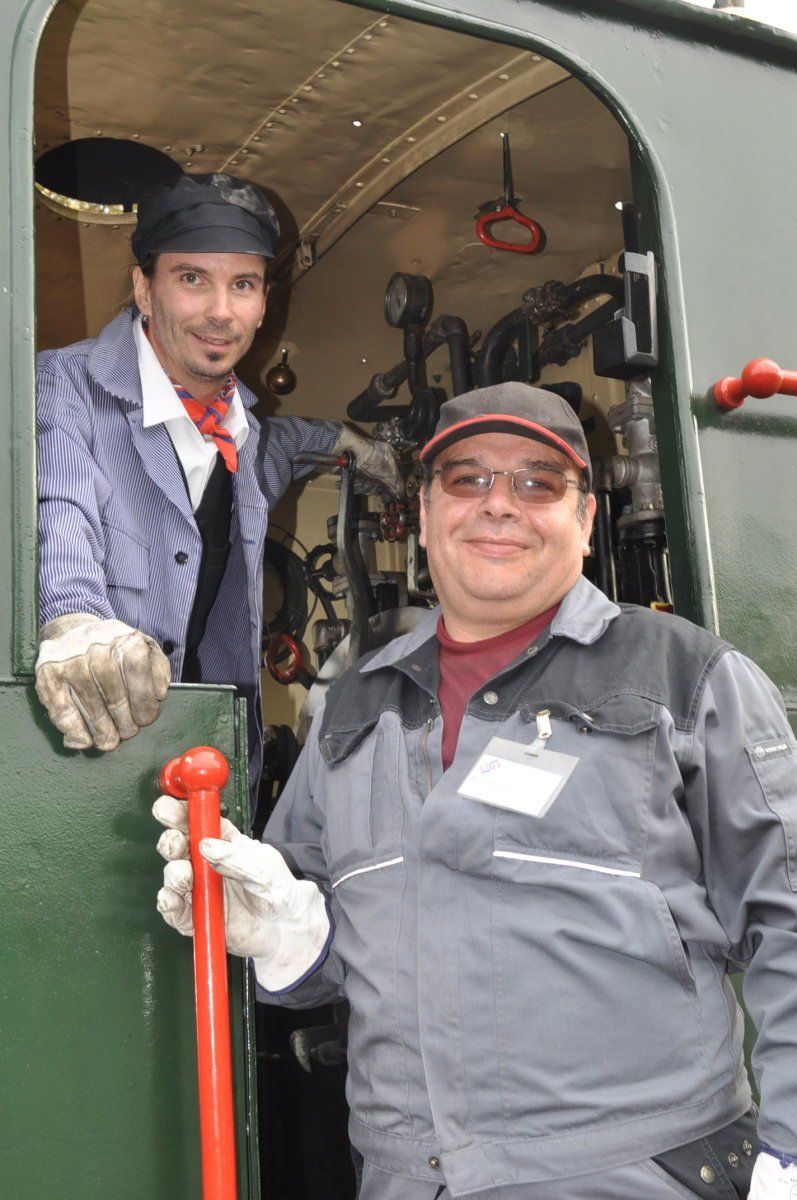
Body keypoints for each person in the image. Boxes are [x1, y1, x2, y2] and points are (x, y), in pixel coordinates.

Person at [155, 381, 797, 1199]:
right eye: (467, 479)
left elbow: (786, 915)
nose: (499, 503)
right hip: (405, 1177)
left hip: (630, 1172)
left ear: (585, 520)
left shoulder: (686, 675)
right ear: (425, 516)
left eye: (537, 482)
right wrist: (285, 941)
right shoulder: (352, 705)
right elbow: (332, 951)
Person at [34, 172, 400, 783]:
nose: (220, 312)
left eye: (243, 285)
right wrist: (77, 624)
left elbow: (287, 441)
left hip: (212, 765)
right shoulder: (65, 389)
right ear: (144, 288)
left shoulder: (244, 436)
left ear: (264, 303)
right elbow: (59, 508)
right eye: (192, 279)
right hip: (86, 759)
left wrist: (353, 446)